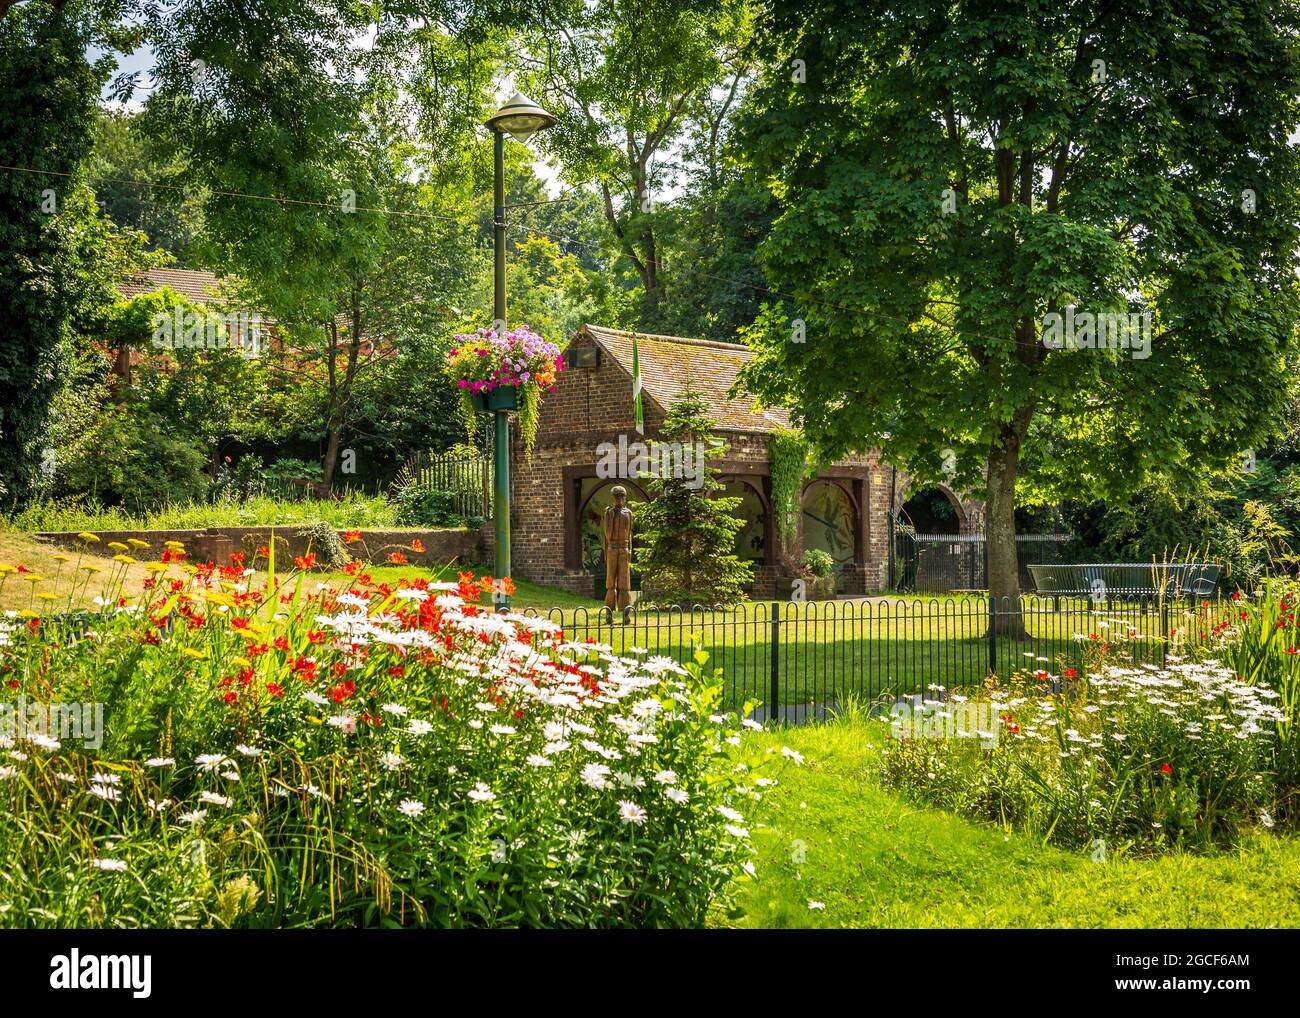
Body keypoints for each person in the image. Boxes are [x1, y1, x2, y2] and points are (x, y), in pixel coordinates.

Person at [602, 485, 634, 624]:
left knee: (625, 583)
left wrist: (630, 550)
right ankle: (609, 612)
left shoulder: (628, 513)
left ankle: (626, 613)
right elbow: (606, 535)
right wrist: (612, 515)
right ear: (613, 498)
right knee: (610, 582)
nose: (619, 499)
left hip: (624, 549)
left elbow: (630, 533)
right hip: (612, 548)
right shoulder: (609, 512)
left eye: (621, 496)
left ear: (625, 498)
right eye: (616, 496)